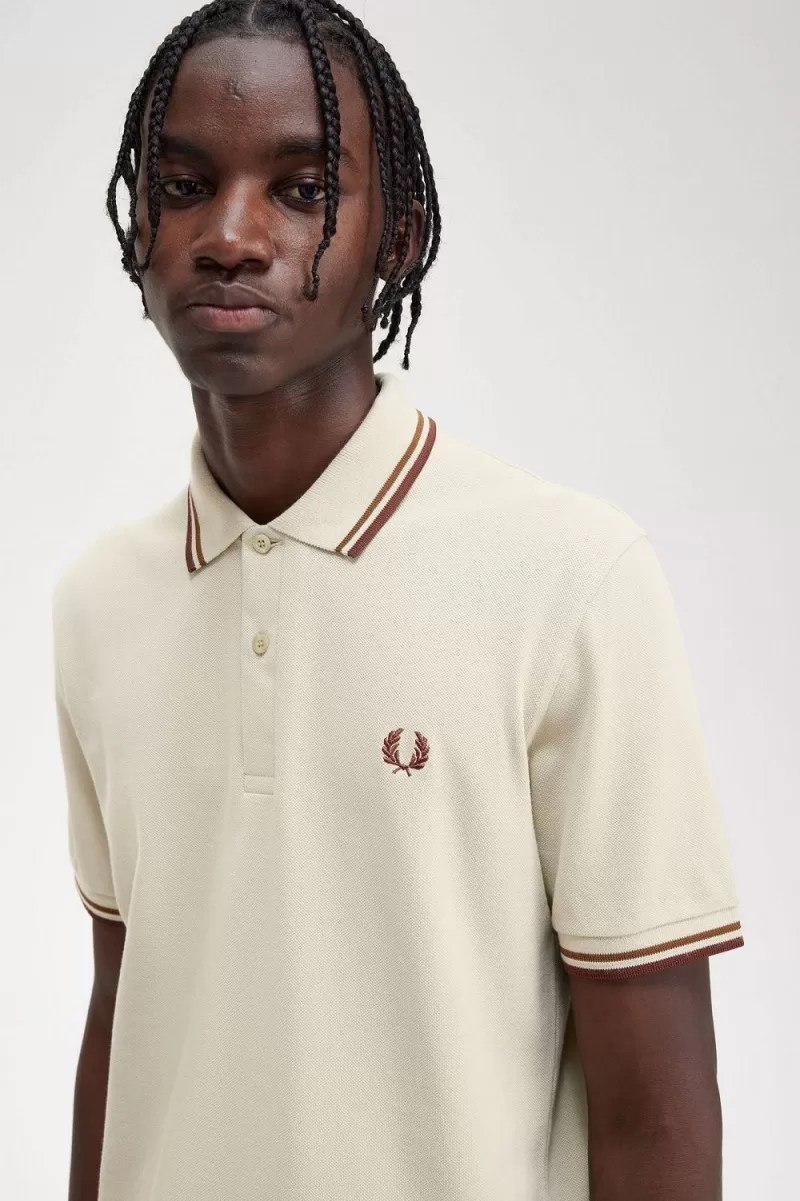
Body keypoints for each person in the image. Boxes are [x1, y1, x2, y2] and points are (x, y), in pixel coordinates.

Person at [51, 2, 743, 1199]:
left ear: (399, 234)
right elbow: (125, 1010)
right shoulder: (100, 602)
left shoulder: (569, 577)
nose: (231, 236)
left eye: (302, 189)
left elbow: (656, 1114)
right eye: (182, 185)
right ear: (136, 223)